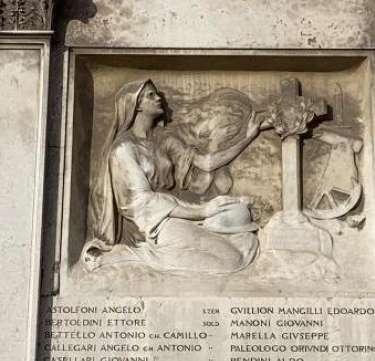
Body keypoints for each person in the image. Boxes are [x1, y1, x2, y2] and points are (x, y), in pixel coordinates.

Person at [82, 78, 261, 275]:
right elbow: (142, 202)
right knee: (232, 259)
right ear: (136, 104)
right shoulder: (124, 148)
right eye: (151, 95)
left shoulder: (163, 138)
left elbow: (207, 163)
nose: (158, 98)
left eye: (157, 93)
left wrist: (249, 136)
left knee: (244, 236)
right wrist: (202, 212)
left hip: (176, 209)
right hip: (151, 224)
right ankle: (124, 256)